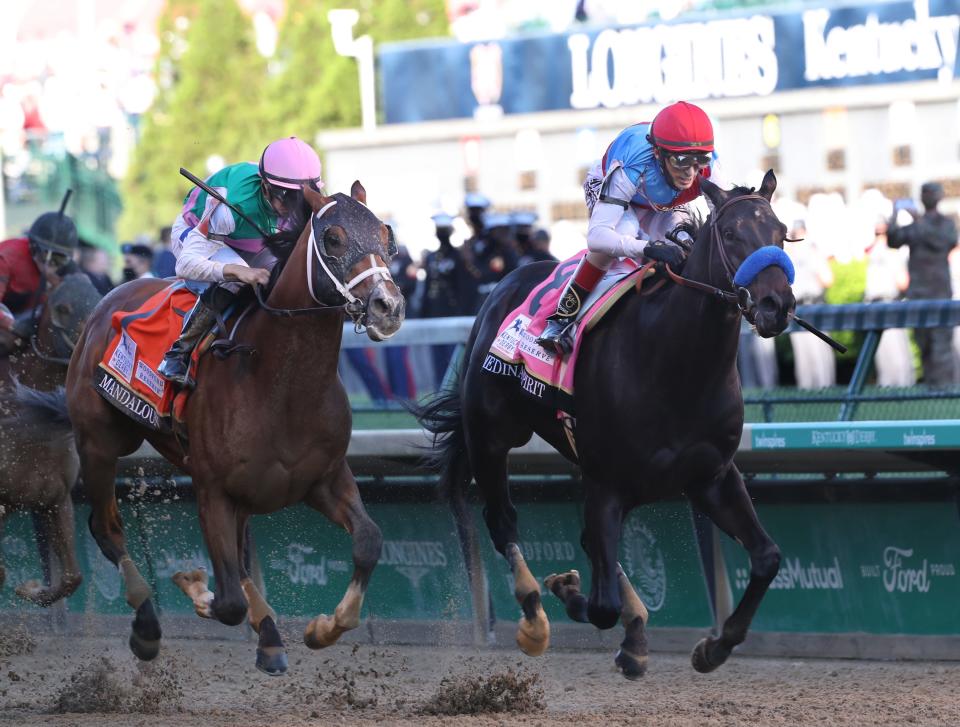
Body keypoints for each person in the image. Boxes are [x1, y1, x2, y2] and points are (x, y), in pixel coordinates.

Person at [537, 101, 720, 354]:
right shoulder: (635, 159)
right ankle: (562, 318)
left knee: (685, 241)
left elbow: (724, 217)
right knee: (624, 235)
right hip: (614, 192)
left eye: (699, 160)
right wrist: (648, 248)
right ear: (658, 153)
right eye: (680, 161)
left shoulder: (709, 165)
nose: (690, 172)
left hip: (660, 203)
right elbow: (598, 237)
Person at [158, 136, 323, 385]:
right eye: (286, 199)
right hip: (197, 235)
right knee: (241, 277)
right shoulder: (229, 206)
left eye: (299, 199)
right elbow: (186, 264)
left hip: (252, 239)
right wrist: (236, 271)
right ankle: (177, 354)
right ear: (266, 187)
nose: (292, 209)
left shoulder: (306, 193)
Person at [887, 182, 959, 385]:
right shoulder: (916, 226)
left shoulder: (946, 223)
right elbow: (894, 240)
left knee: (942, 344)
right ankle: (930, 386)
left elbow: (945, 241)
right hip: (918, 293)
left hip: (939, 293)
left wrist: (919, 221)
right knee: (924, 342)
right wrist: (894, 214)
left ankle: (945, 388)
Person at [0, 207, 79, 352]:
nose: (50, 266)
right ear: (32, 247)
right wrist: (13, 325)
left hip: (24, 314)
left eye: (58, 259)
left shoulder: (69, 270)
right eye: (46, 256)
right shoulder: (7, 258)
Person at [421, 213, 477, 385]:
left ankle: (453, 393)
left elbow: (465, 288)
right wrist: (423, 312)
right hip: (433, 314)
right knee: (437, 358)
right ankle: (439, 391)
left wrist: (462, 313)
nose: (441, 233)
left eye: (444, 230)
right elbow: (427, 286)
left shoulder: (458, 257)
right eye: (439, 230)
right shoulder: (431, 257)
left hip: (452, 314)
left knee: (452, 360)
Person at [784, 220, 836, 389]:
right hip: (797, 306)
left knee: (819, 350)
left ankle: (825, 388)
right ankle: (806, 392)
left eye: (800, 233)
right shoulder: (790, 255)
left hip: (814, 304)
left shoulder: (814, 252)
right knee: (803, 354)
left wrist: (814, 263)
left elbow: (828, 280)